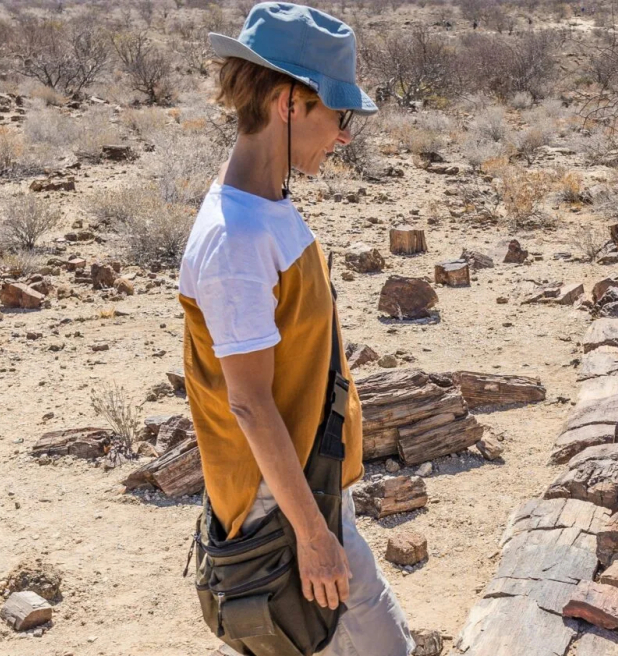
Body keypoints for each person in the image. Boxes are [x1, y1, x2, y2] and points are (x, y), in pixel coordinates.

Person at [178, 4, 413, 655]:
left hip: (311, 492)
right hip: (282, 517)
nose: (343, 135)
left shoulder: (265, 208)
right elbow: (250, 404)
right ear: (287, 103)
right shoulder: (238, 238)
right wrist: (313, 538)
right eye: (337, 115)